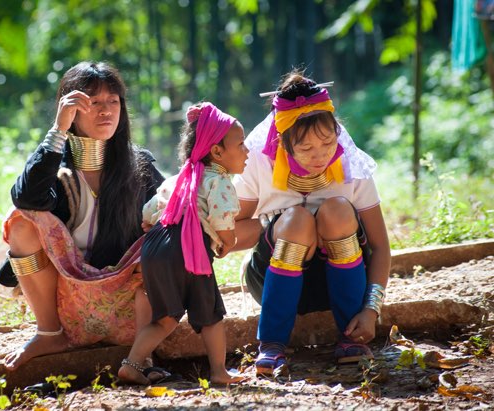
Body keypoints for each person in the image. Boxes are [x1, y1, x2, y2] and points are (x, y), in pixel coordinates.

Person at [0, 61, 167, 375]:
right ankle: (49, 335)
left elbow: (172, 210)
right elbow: (27, 198)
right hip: (66, 303)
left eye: (112, 101)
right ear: (70, 109)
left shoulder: (138, 165)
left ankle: (143, 351)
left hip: (126, 302)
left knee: (165, 234)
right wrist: (58, 131)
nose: (105, 111)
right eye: (93, 103)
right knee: (21, 222)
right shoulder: (54, 169)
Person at [232, 71, 391, 377]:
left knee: (338, 211)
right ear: (283, 144)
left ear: (337, 132)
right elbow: (230, 235)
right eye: (306, 148)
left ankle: (351, 339)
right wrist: (271, 225)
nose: (320, 156)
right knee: (296, 220)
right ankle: (272, 344)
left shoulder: (351, 164)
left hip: (344, 282)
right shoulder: (258, 163)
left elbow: (381, 246)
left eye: (328, 142)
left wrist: (371, 310)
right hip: (273, 278)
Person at [117, 102, 248, 385]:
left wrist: (157, 228)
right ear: (217, 152)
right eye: (241, 144)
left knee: (164, 318)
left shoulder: (177, 179)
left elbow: (148, 213)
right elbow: (222, 219)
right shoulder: (220, 181)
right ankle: (218, 372)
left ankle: (132, 363)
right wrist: (228, 242)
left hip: (155, 248)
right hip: (189, 251)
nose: (247, 150)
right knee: (211, 316)